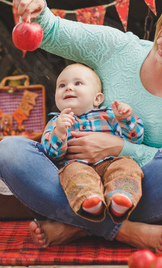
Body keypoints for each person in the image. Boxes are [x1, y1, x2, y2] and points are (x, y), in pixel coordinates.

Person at [0, 0, 162, 253]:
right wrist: (39, 6)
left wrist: (119, 148)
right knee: (9, 151)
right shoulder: (121, 48)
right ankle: (126, 231)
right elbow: (55, 31)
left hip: (136, 193)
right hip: (75, 179)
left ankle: (76, 224)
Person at [42, 63, 144, 224]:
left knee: (127, 166)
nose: (68, 88)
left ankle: (121, 196)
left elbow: (135, 139)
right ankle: (90, 200)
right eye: (62, 85)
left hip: (111, 163)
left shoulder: (109, 115)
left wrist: (126, 119)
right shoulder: (56, 122)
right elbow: (50, 153)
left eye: (78, 83)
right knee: (72, 173)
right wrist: (60, 132)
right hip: (78, 166)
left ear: (97, 99)